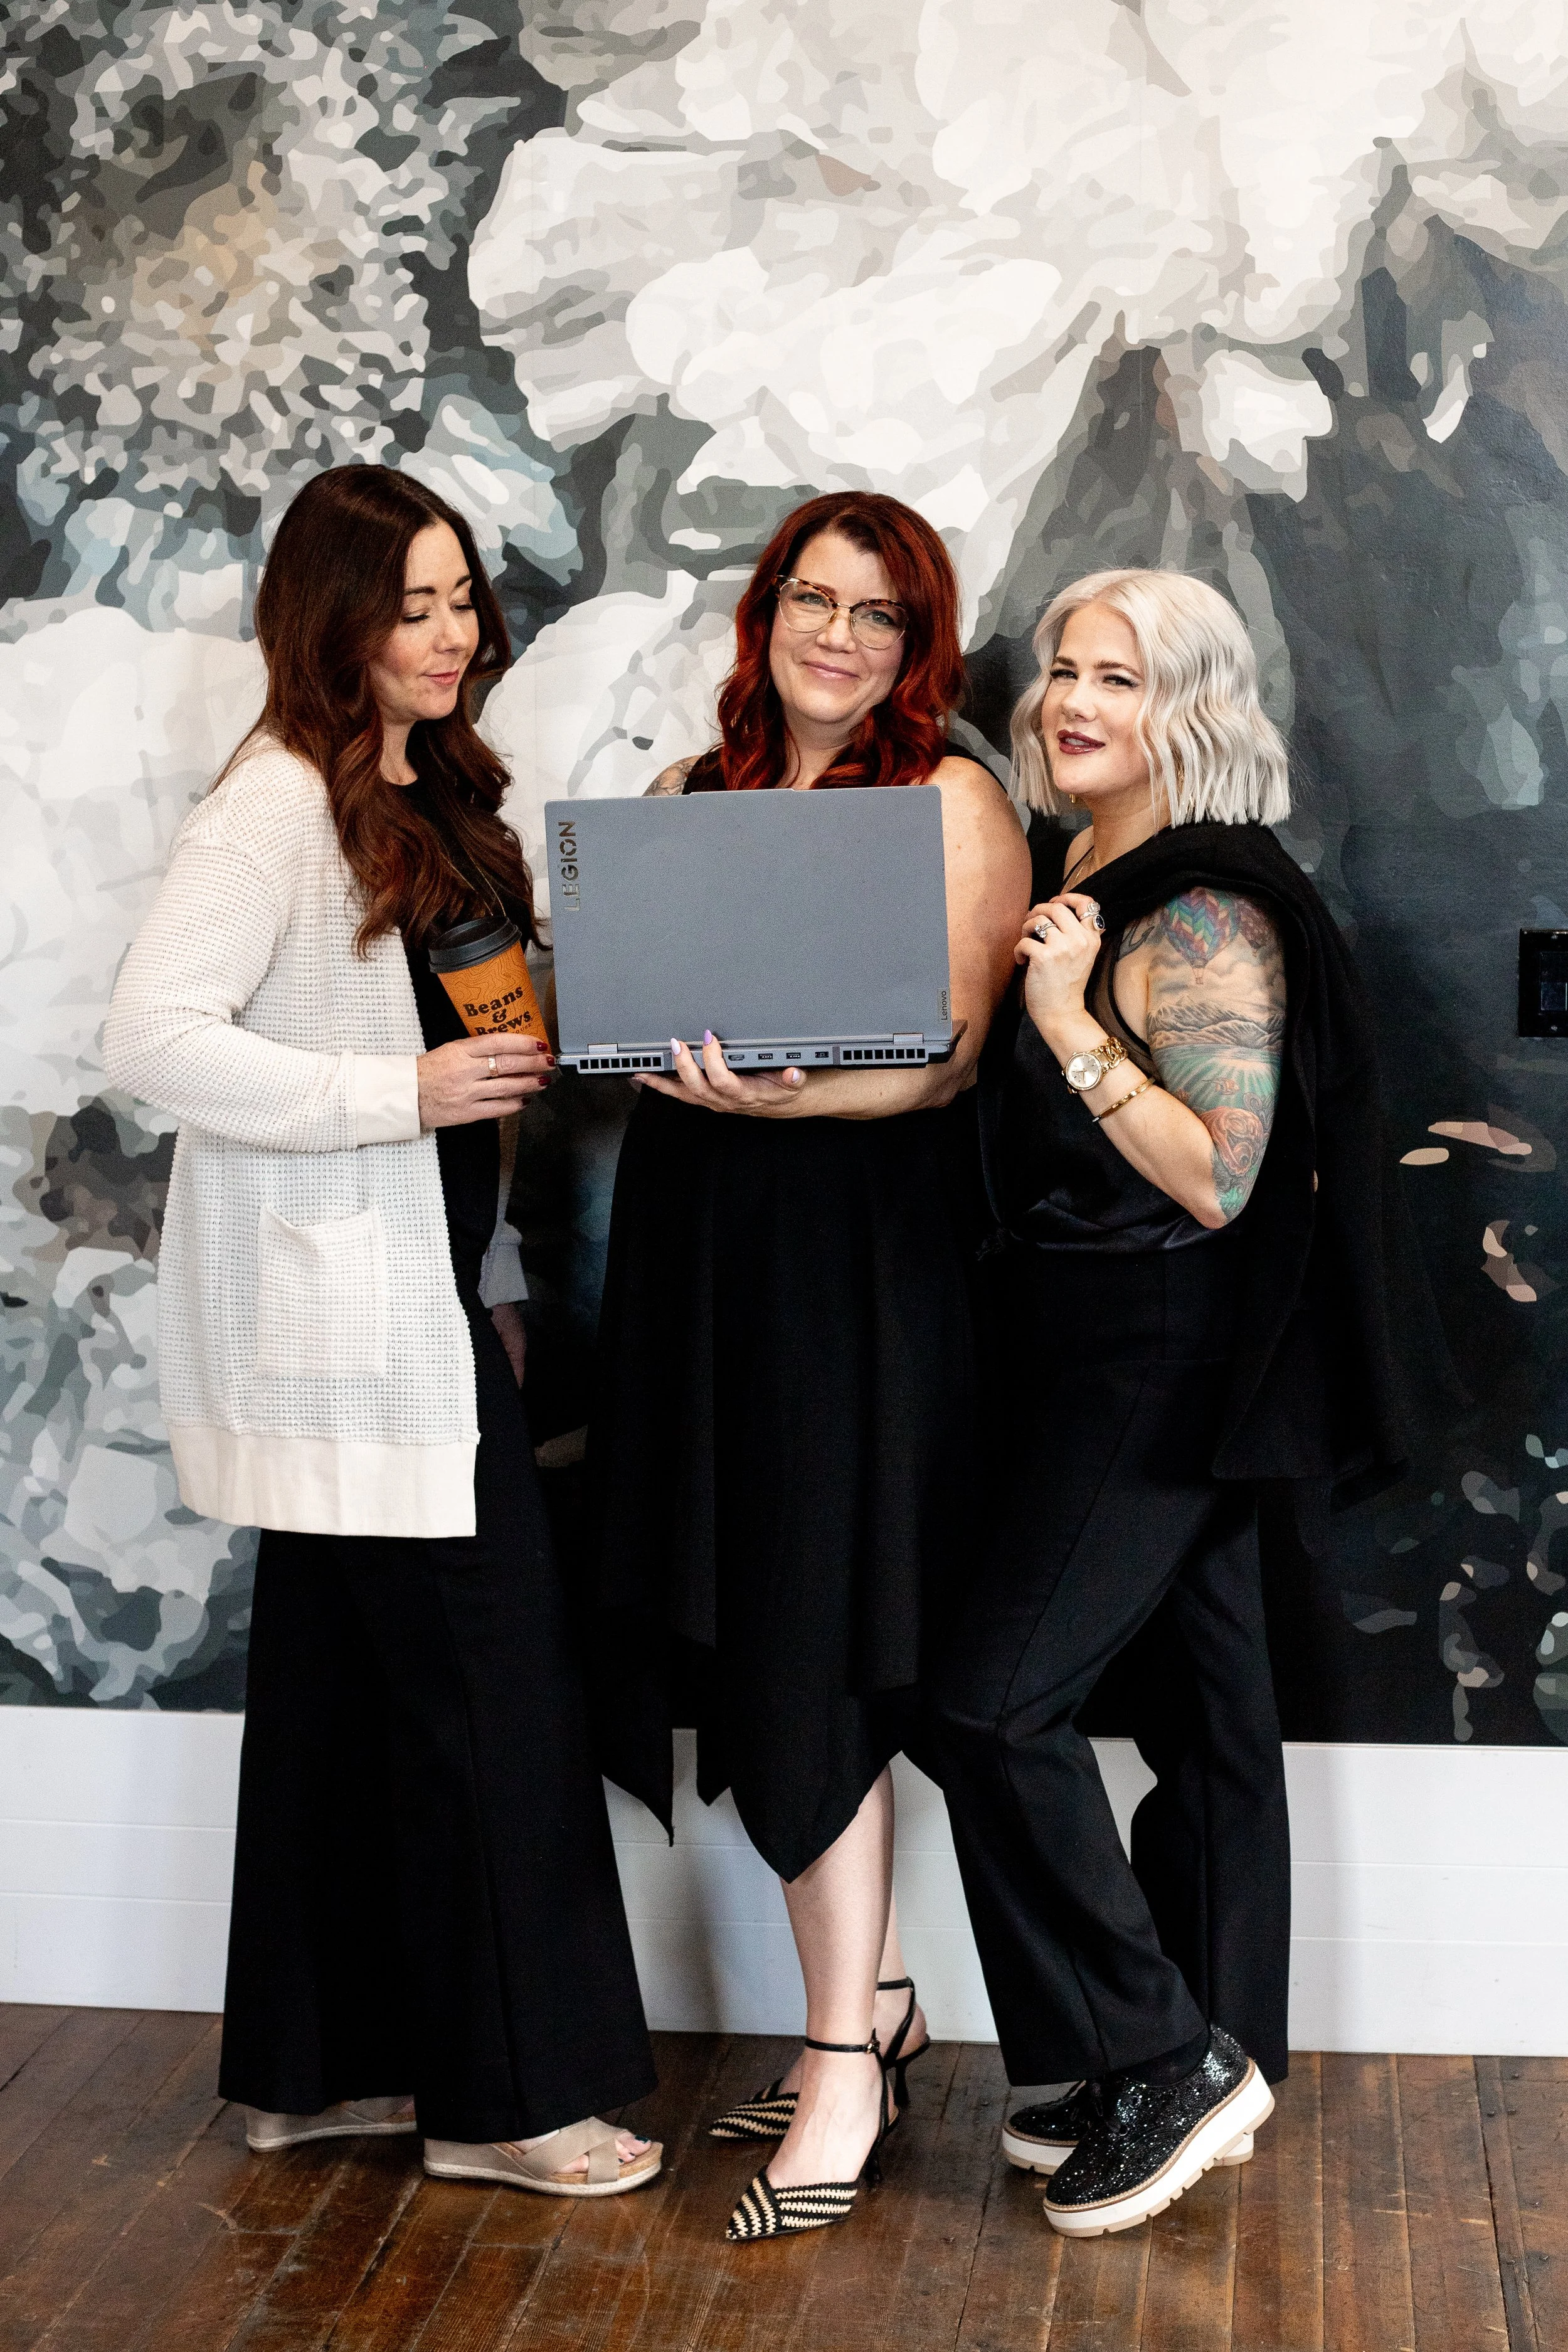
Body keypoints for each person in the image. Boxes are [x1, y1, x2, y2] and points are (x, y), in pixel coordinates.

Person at [104, 464, 660, 2198]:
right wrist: (391, 1089)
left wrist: (488, 1275)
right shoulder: (274, 804)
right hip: (343, 1326)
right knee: (499, 1692)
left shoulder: (441, 792)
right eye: (408, 606)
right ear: (327, 621)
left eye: (458, 599)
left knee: (344, 1690)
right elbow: (153, 1039)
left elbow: (484, 1086)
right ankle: (509, 2102)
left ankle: (314, 2067)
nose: (449, 635)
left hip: (424, 1297)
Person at [928, 567, 1458, 2238]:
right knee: (1214, 1712)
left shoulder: (1208, 910)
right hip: (1094, 1348)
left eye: (1122, 678)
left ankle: (1159, 2052)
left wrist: (1065, 1024)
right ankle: (1169, 2052)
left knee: (986, 1707)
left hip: (1155, 1363)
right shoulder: (1092, 859)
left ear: (1196, 711)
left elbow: (1219, 1173)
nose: (1073, 700)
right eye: (1065, 670)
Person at [587, 491, 1032, 2240]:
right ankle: (890, 1999)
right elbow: (640, 1024)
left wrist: (784, 1093)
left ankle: (841, 2050)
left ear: (921, 649)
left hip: (865, 1276)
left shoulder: (952, 798)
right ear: (764, 612)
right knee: (765, 1620)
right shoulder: (696, 801)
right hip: (710, 1265)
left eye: (879, 614)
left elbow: (950, 1060)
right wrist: (644, 1042)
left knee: (815, 1638)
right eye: (811, 599)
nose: (837, 635)